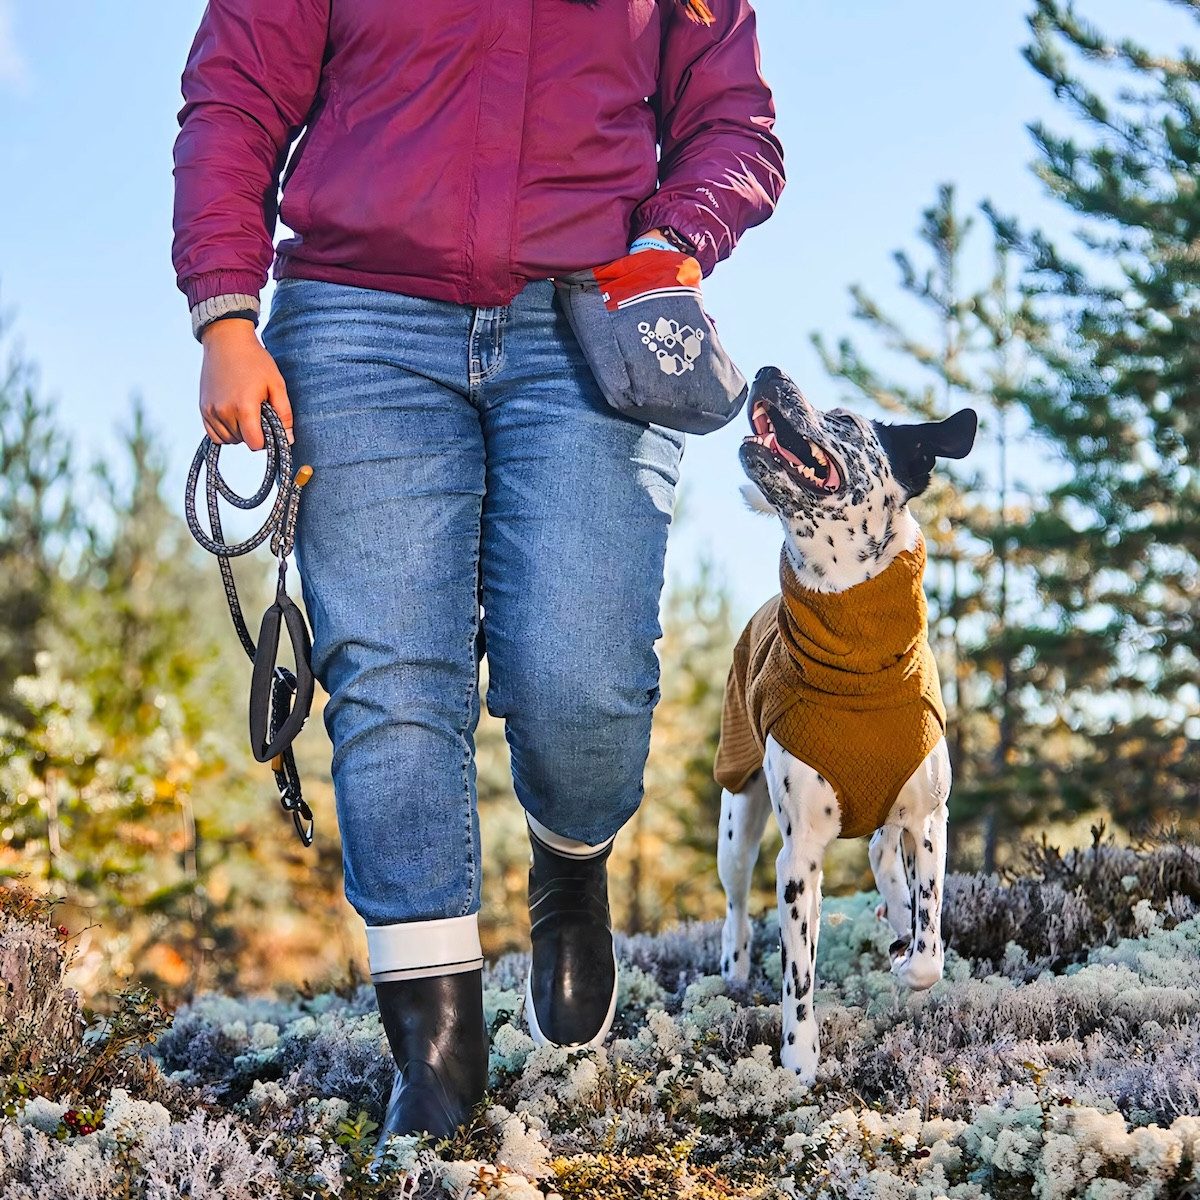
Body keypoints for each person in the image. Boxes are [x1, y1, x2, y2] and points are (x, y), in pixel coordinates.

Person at [172, 0, 784, 1148]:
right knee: (392, 679)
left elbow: (733, 125)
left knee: (581, 675)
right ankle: (437, 1053)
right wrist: (225, 309)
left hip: (590, 317)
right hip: (359, 323)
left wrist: (677, 238)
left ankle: (571, 861)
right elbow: (237, 90)